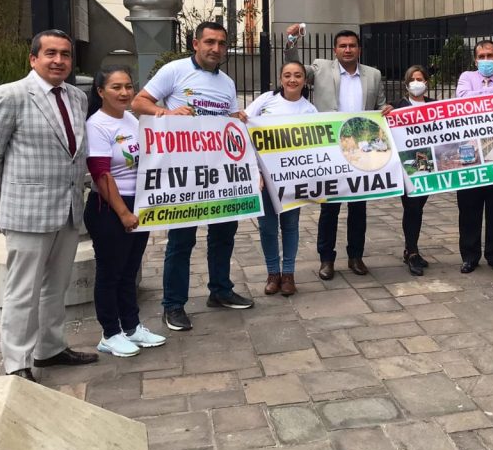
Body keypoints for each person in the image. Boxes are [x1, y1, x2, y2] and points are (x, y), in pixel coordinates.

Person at [0, 30, 98, 381]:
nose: (58, 60)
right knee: (22, 291)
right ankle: (17, 362)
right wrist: (12, 190)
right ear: (33, 58)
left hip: (69, 209)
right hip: (28, 211)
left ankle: (50, 348)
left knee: (55, 286)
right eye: (50, 53)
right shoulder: (10, 96)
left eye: (65, 55)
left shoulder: (76, 97)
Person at [132, 21, 254, 333]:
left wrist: (234, 117)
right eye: (210, 42)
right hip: (183, 175)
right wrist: (167, 114)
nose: (216, 49)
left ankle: (220, 290)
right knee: (181, 241)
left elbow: (221, 123)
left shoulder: (226, 82)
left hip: (220, 174)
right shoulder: (174, 70)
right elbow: (139, 103)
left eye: (222, 44)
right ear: (195, 43)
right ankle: (173, 305)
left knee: (224, 234)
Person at [283, 23, 389, 280]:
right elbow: (294, 69)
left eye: (352, 45)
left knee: (358, 208)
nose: (348, 49)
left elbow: (382, 105)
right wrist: (290, 40)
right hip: (329, 149)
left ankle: (356, 256)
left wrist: (387, 110)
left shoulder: (373, 75)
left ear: (359, 49)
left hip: (361, 149)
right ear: (335, 50)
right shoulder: (320, 68)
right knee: (329, 207)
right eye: (343, 46)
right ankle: (326, 259)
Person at [84, 66, 166, 357]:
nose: (124, 93)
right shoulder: (97, 124)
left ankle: (131, 326)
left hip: (138, 204)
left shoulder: (131, 119)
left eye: (128, 86)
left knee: (129, 270)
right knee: (110, 271)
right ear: (100, 91)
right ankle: (109, 332)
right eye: (116, 87)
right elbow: (100, 174)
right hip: (109, 208)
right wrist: (123, 213)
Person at [245, 61, 318, 297]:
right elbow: (243, 125)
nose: (292, 80)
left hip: (293, 179)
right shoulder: (266, 100)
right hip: (264, 179)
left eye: (298, 75)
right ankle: (272, 273)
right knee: (267, 227)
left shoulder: (310, 111)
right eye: (287, 75)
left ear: (305, 81)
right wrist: (255, 171)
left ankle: (288, 274)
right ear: (280, 78)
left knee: (290, 226)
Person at [454, 39, 493, 274]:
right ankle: (469, 256)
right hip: (469, 153)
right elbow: (463, 100)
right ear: (475, 59)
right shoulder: (466, 78)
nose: (485, 60)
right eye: (480, 56)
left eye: (489, 56)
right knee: (469, 206)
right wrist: (492, 91)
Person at [391, 65, 434, 276]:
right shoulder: (397, 106)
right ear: (406, 83)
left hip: (428, 163)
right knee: (412, 207)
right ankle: (412, 251)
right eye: (413, 79)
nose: (417, 83)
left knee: (420, 205)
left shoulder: (435, 105)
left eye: (421, 78)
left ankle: (411, 248)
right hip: (406, 164)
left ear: (427, 82)